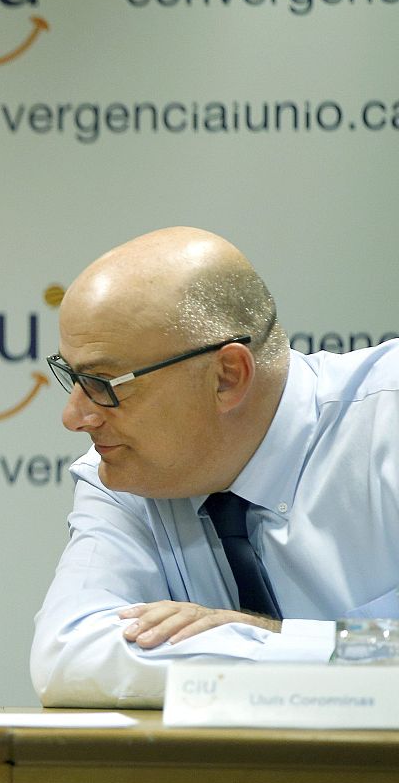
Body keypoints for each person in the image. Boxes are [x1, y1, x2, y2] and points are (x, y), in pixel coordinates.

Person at [31, 226, 399, 707]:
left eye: (103, 382)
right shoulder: (121, 473)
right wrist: (330, 654)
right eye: (72, 377)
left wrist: (281, 641)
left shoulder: (387, 418)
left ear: (227, 377)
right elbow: (69, 655)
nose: (74, 416)